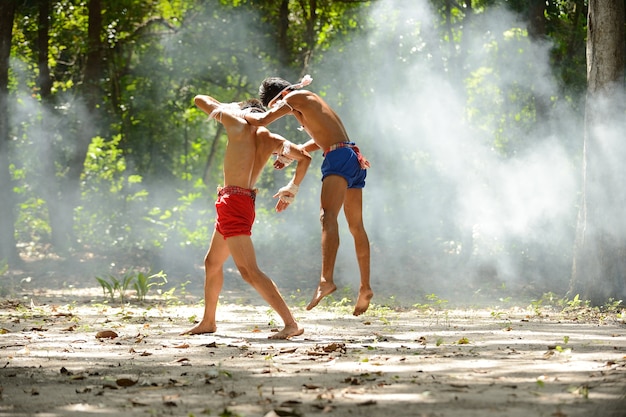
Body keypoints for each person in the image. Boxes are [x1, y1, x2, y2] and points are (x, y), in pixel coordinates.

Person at [242, 75, 373, 316]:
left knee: (328, 216)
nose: (284, 111)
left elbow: (262, 120)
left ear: (278, 97)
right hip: (351, 157)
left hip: (338, 157)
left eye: (277, 105)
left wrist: (235, 113)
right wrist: (290, 154)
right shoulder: (307, 99)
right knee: (356, 226)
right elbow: (319, 139)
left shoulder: (293, 97)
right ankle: (364, 287)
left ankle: (326, 280)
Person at [181, 95, 311, 339]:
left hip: (234, 202)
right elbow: (305, 157)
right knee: (212, 262)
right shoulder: (271, 139)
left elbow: (199, 99)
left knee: (249, 270)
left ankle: (291, 324)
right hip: (240, 201)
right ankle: (208, 321)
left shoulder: (236, 123)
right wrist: (291, 188)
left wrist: (231, 109)